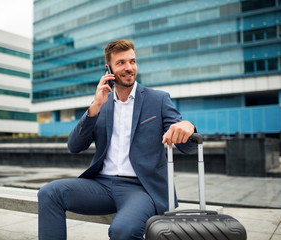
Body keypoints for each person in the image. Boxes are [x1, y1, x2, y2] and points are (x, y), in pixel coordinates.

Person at [38, 39, 197, 240]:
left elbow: (188, 145)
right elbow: (74, 146)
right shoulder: (101, 103)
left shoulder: (158, 99)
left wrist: (187, 126)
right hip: (101, 186)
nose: (129, 67)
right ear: (109, 69)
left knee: (122, 230)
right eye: (121, 62)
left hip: (141, 189)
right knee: (49, 193)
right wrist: (94, 108)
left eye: (132, 61)